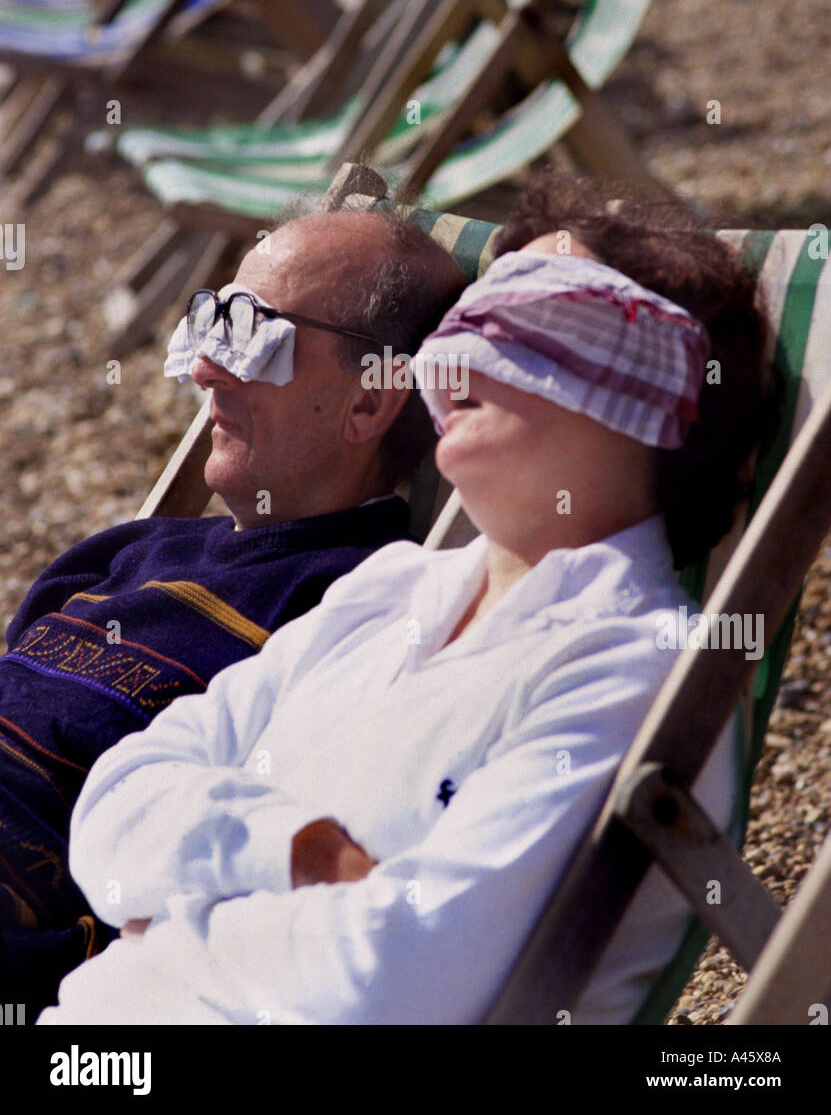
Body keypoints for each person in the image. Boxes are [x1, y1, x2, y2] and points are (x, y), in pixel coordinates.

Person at [39, 179, 775, 1025]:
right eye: (473, 307)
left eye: (523, 311)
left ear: (643, 388)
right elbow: (113, 814)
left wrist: (178, 927)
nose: (457, 342)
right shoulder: (388, 588)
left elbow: (387, 986)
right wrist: (299, 851)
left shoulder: (627, 661)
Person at [0, 199, 466, 1014]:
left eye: (259, 336)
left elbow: (248, 875)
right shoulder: (125, 553)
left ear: (369, 402)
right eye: (213, 321)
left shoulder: (353, 612)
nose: (207, 367)